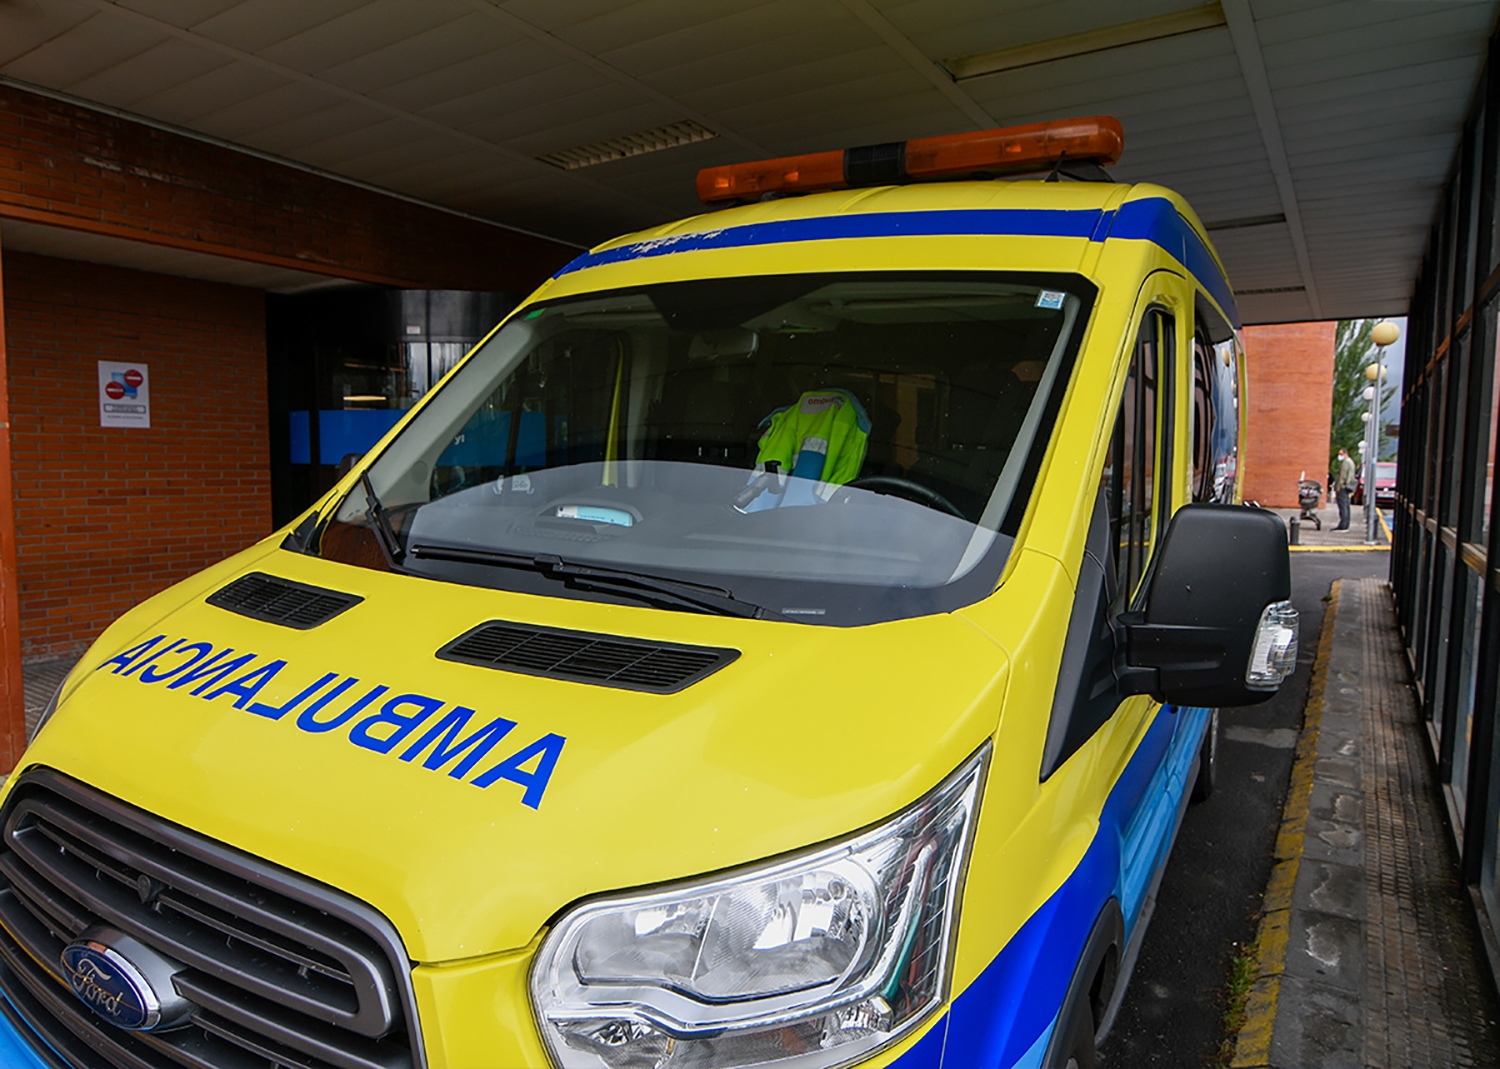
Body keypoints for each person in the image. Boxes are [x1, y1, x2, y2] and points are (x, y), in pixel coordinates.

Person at [1333, 447, 1356, 531]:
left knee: (1343, 506)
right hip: (1347, 487)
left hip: (1343, 487)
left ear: (1346, 453)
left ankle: (1343, 524)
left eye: (1341, 454)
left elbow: (1342, 475)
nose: (1339, 456)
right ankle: (1346, 523)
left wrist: (1338, 486)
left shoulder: (1345, 463)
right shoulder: (1351, 462)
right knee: (1346, 506)